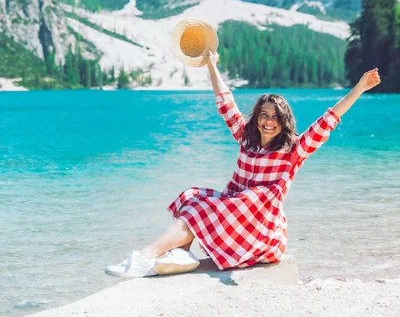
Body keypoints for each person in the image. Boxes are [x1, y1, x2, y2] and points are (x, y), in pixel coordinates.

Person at [105, 51, 381, 278]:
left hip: (260, 229)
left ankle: (143, 258)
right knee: (192, 197)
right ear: (257, 117)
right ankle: (181, 253)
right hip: (234, 213)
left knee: (206, 207)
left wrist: (360, 88)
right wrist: (212, 66)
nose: (269, 121)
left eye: (275, 117)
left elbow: (328, 119)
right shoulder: (245, 138)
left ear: (284, 121)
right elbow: (225, 103)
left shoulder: (294, 149)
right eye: (264, 115)